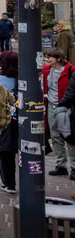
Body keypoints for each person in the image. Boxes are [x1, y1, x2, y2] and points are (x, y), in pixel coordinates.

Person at [0, 51, 19, 194]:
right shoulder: (24, 79)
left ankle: (9, 183)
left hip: (5, 120)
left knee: (6, 152)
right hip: (20, 120)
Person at [42, 47, 75, 179]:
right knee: (55, 136)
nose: (46, 60)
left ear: (59, 59)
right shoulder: (46, 71)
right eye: (46, 57)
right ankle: (61, 164)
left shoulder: (70, 71)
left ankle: (73, 166)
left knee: (70, 137)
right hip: (51, 105)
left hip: (67, 107)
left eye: (49, 57)